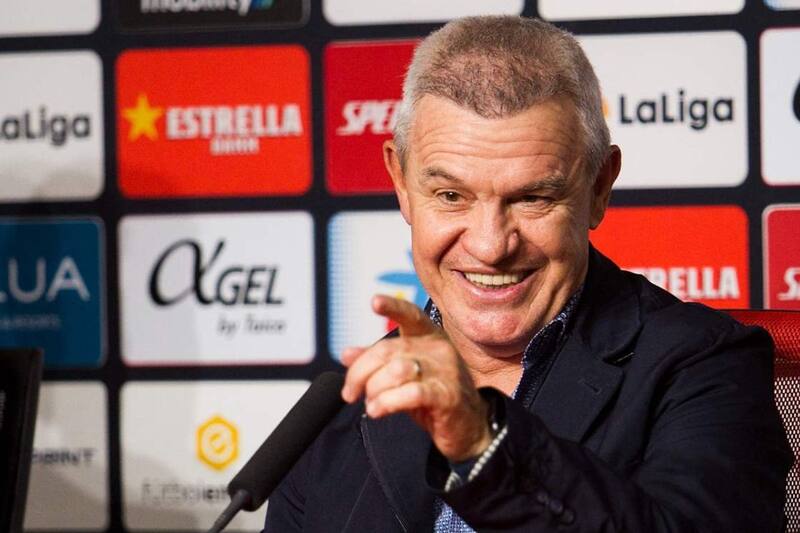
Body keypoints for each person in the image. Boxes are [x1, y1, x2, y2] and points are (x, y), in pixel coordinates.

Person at [264, 16, 791, 532]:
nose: (490, 246)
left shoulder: (706, 365)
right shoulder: (340, 410)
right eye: (451, 195)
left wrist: (484, 444)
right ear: (401, 183)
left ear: (599, 187)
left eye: (533, 198)